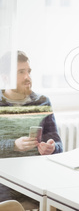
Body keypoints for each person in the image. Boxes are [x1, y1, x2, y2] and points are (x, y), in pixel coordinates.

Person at [0, 50, 63, 207]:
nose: (27, 77)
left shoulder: (42, 102)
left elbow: (59, 145)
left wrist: (52, 147)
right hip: (4, 183)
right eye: (21, 72)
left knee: (67, 200)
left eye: (28, 71)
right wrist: (14, 145)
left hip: (38, 180)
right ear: (6, 77)